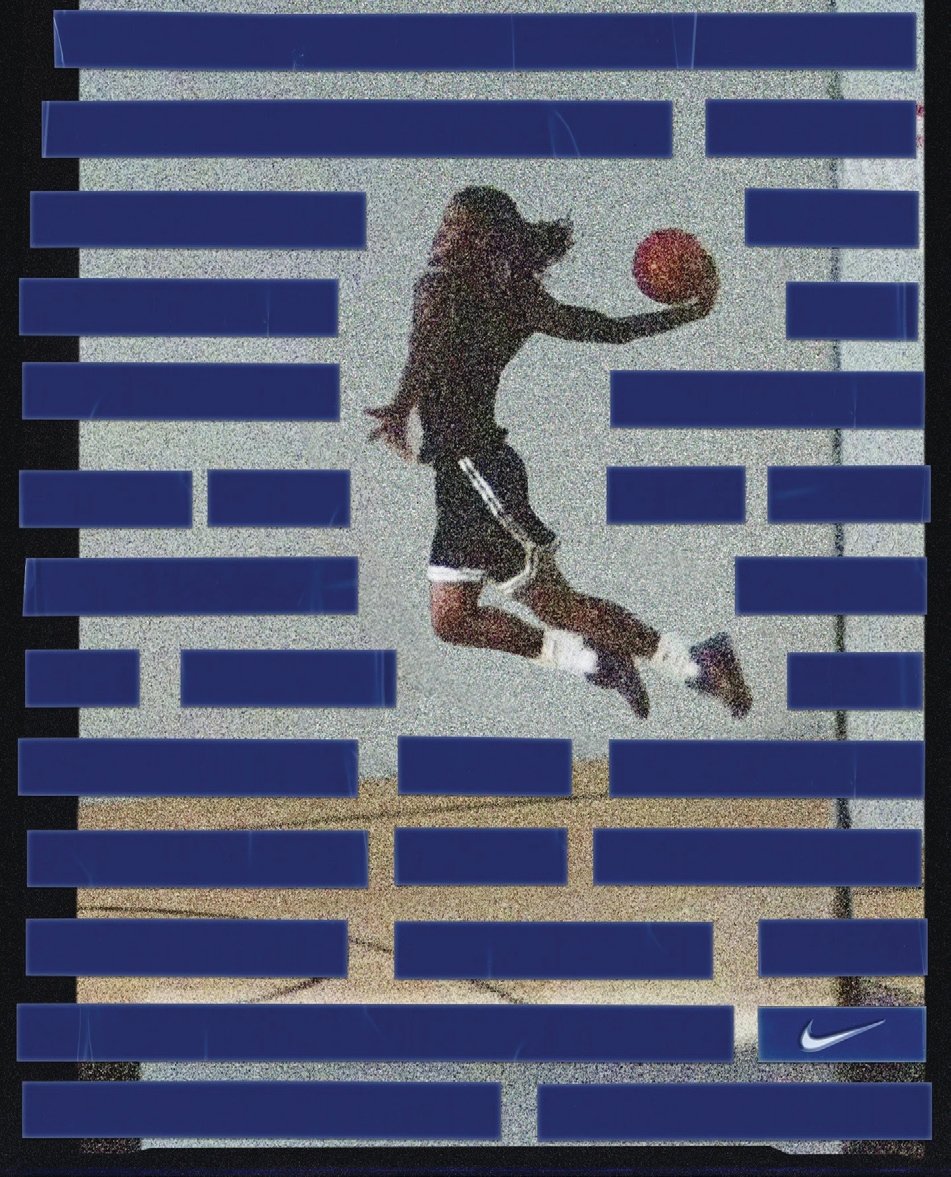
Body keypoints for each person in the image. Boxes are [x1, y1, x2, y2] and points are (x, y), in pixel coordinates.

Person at [367, 186, 751, 720]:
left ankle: (695, 663)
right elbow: (425, 351)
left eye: (456, 226)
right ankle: (594, 660)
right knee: (452, 619)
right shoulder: (457, 290)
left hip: (479, 469)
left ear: (483, 238)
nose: (442, 235)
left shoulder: (492, 296)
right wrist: (401, 406)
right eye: (444, 223)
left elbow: (604, 330)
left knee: (554, 603)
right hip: (459, 474)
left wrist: (685, 314)